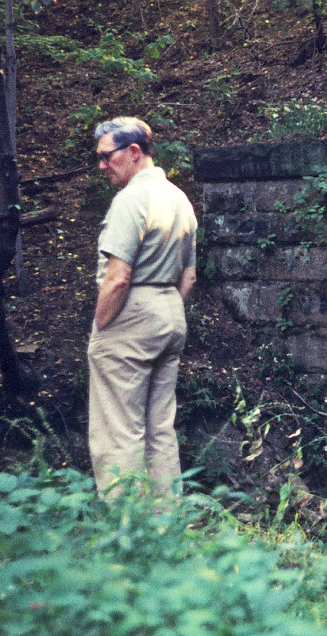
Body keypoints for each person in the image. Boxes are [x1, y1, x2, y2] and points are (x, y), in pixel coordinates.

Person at [87, 117, 197, 499]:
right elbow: (190, 277)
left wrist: (102, 327)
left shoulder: (132, 199)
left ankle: (127, 532)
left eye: (106, 156)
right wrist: (164, 310)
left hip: (129, 314)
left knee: (118, 431)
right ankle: (165, 529)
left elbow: (117, 278)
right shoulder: (179, 198)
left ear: (134, 152)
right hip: (170, 311)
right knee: (159, 430)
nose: (102, 165)